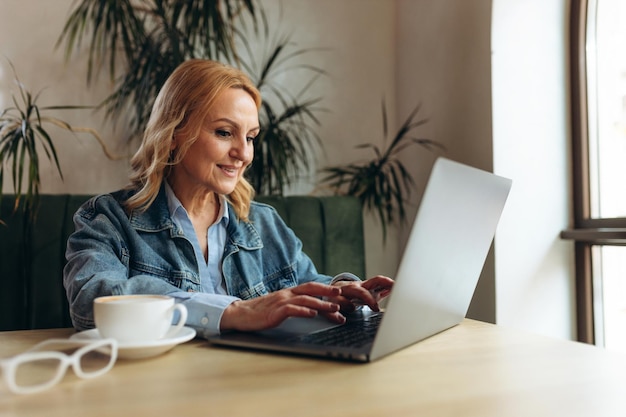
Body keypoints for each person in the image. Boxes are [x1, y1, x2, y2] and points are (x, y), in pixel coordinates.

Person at [63, 59, 394, 339]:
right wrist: (231, 312)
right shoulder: (108, 219)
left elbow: (304, 284)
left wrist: (343, 292)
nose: (243, 154)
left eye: (250, 137)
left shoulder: (262, 223)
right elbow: (91, 301)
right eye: (224, 132)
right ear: (174, 133)